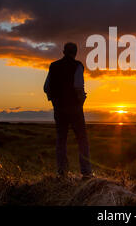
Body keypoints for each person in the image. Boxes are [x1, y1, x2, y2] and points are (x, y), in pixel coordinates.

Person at [43, 42, 93, 179]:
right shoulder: (78, 65)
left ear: (64, 51)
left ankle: (62, 173)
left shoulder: (53, 66)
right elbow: (78, 86)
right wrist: (81, 100)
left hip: (59, 108)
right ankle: (87, 172)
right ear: (75, 52)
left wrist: (54, 101)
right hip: (75, 108)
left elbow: (46, 87)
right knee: (82, 139)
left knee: (61, 140)